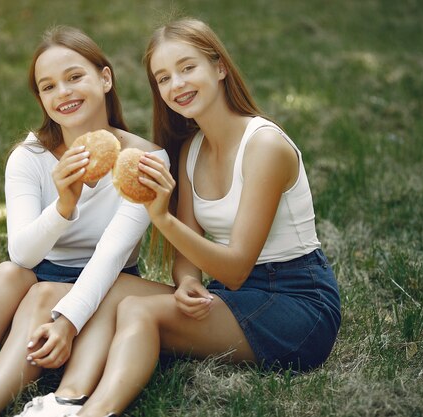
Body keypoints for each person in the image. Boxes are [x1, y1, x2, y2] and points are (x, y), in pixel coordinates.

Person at [60, 18, 342, 417]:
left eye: (188, 67)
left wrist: (162, 217)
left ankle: (95, 411)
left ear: (219, 67)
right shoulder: (191, 150)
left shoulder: (264, 145)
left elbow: (237, 267)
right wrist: (188, 281)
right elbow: (189, 256)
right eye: (163, 77)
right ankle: (64, 394)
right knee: (116, 289)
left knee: (138, 309)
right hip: (234, 295)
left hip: (297, 303)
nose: (176, 84)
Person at [0, 26, 170, 417]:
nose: (64, 93)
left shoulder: (145, 160)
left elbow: (111, 255)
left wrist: (67, 321)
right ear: (41, 98)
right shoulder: (29, 157)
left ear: (105, 78)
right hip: (40, 273)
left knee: (43, 294)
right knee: (9, 273)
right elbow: (23, 254)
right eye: (49, 86)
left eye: (75, 77)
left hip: (110, 284)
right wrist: (63, 205)